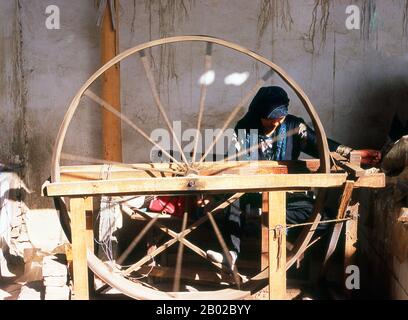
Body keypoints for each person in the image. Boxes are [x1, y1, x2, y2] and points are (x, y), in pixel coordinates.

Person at [206, 86, 381, 268]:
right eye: (269, 119)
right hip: (252, 193)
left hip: (287, 196)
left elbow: (321, 145)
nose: (275, 123)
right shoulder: (244, 128)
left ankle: (267, 223)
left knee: (323, 219)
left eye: (279, 118)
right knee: (231, 204)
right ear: (258, 113)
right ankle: (231, 254)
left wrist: (355, 153)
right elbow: (237, 163)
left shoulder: (294, 127)